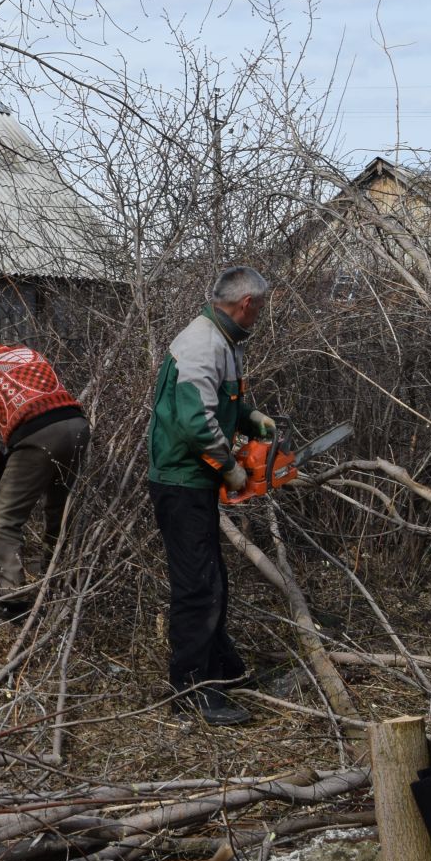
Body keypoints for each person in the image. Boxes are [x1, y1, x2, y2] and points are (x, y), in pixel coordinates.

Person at [146, 266, 276, 727]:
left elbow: (222, 404)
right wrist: (231, 468)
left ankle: (223, 670)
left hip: (193, 479)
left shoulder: (222, 341)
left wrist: (250, 418)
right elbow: (195, 420)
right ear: (247, 305)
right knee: (198, 587)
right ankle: (193, 688)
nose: (259, 316)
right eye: (259, 309)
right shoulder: (202, 342)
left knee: (212, 579)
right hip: (181, 480)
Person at [0, 322, 89, 602]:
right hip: (76, 425)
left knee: (4, 519)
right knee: (59, 510)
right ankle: (58, 585)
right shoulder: (30, 354)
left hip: (36, 435)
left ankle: (11, 600)